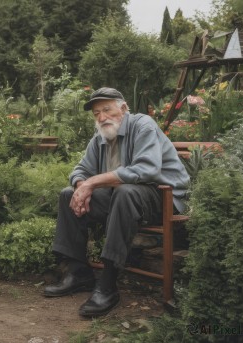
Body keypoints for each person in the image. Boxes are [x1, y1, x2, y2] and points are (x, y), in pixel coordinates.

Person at [43, 87, 190, 317]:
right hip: (125, 199)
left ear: (123, 108)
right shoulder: (100, 137)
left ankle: (108, 284)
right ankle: (78, 271)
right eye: (96, 113)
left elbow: (147, 170)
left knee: (125, 193)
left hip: (163, 197)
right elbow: (81, 169)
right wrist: (82, 185)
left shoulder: (143, 125)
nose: (102, 117)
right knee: (68, 194)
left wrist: (93, 183)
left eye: (107, 109)